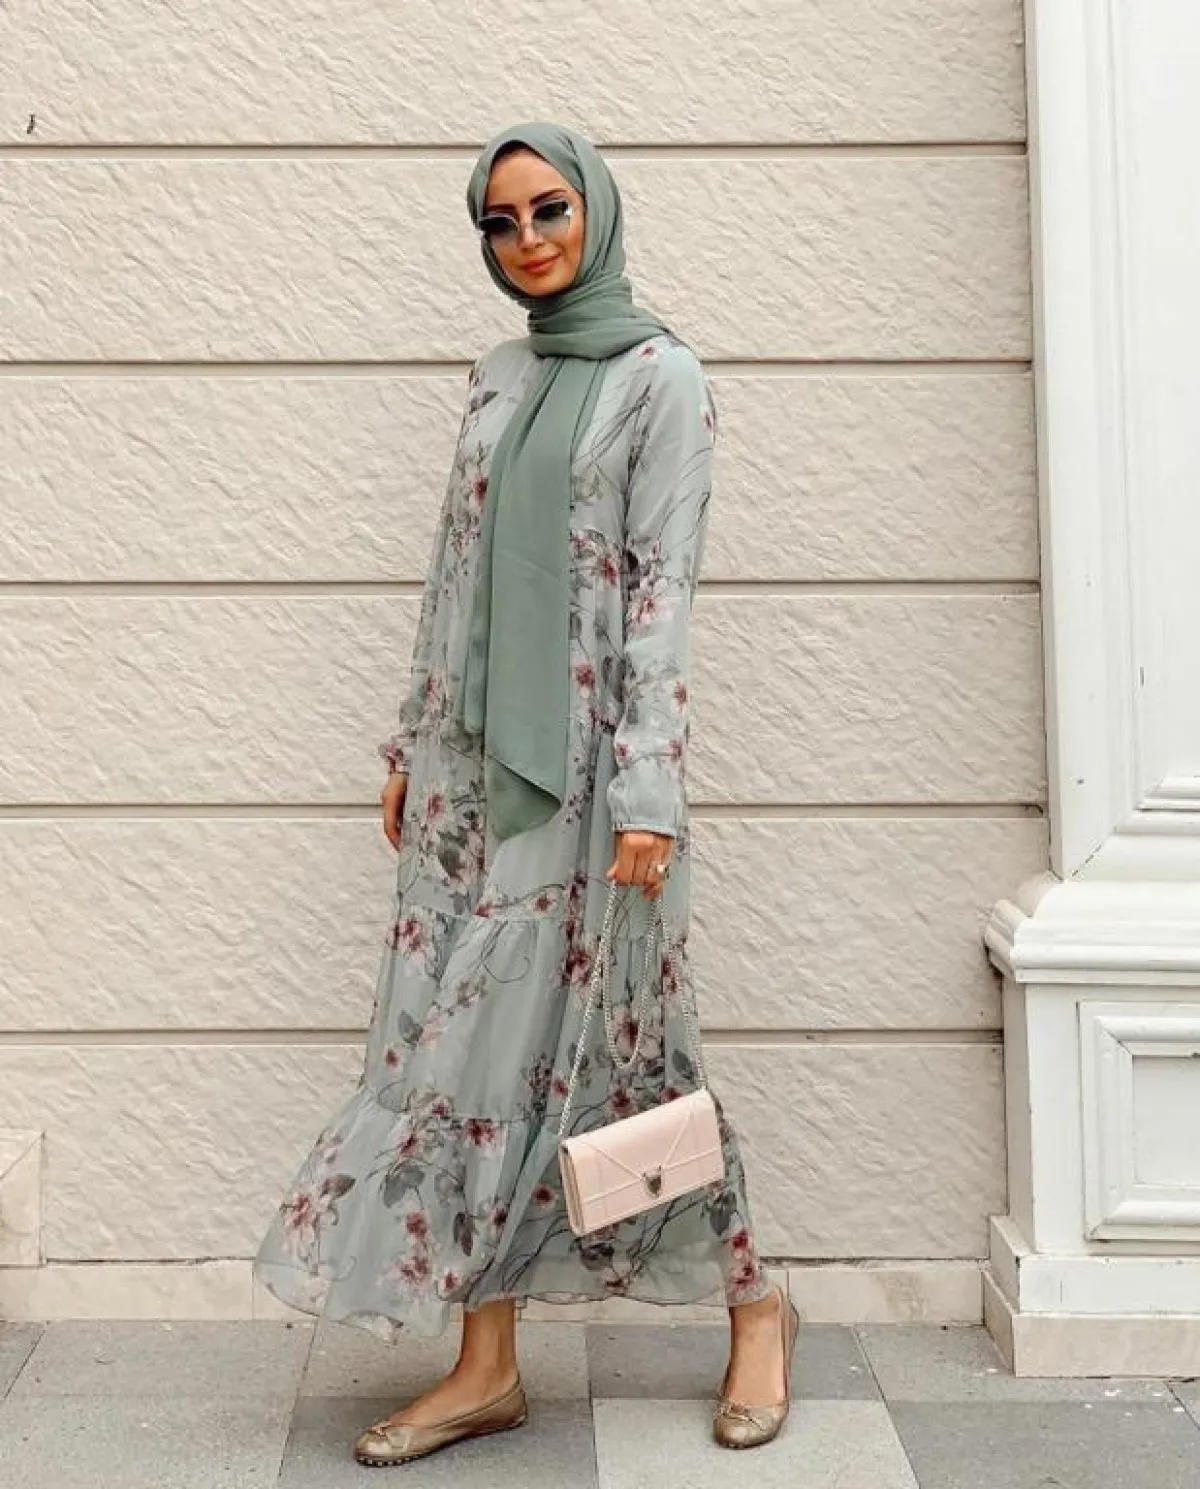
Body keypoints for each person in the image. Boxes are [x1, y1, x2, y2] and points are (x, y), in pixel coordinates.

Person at [252, 121, 798, 1464]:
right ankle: (486, 1363)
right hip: (466, 775)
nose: (528, 239)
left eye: (549, 208)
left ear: (595, 209)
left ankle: (755, 1305)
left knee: (628, 1060)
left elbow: (662, 593)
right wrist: (410, 743)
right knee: (452, 1061)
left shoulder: (664, 380)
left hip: (594, 786)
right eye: (499, 222)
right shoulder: (499, 376)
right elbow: (454, 572)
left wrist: (651, 789)